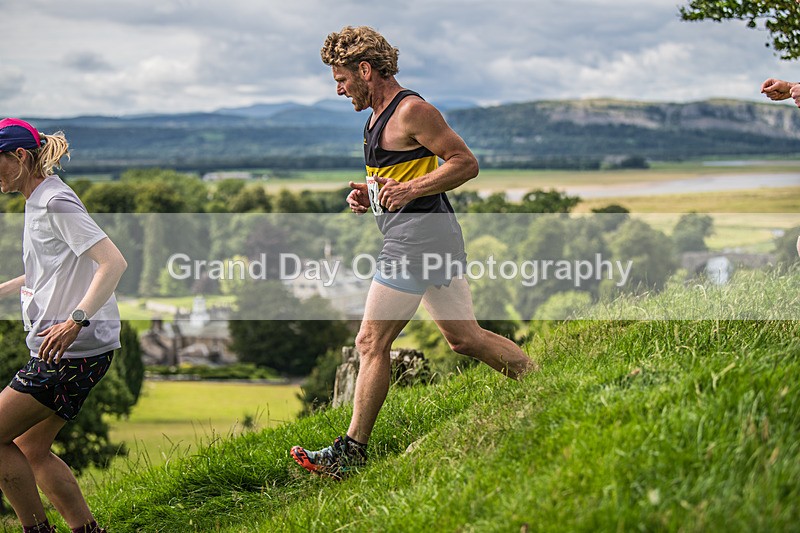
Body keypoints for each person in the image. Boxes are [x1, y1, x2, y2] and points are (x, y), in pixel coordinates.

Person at [290, 26, 535, 479]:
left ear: (365, 69)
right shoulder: (374, 118)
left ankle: (351, 451)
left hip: (417, 239)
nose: (339, 89)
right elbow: (399, 179)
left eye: (341, 79)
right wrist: (371, 195)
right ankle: (542, 380)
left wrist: (409, 191)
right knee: (463, 337)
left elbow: (465, 162)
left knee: (370, 341)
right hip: (429, 234)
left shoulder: (412, 111)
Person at [0, 118, 127, 533]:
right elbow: (52, 270)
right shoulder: (38, 199)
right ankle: (86, 530)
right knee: (31, 448)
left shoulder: (55, 202)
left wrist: (75, 320)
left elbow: (112, 262)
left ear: (19, 157)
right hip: (73, 349)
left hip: (70, 351)